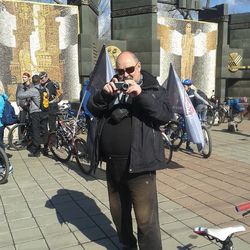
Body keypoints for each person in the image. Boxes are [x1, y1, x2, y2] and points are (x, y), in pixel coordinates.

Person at [87, 51, 173, 250]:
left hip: (140, 164)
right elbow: (92, 107)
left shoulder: (152, 88)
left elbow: (165, 114)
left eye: (129, 70)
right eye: (120, 70)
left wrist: (140, 95)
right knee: (119, 213)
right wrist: (103, 94)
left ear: (139, 67)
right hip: (113, 164)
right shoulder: (111, 86)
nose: (125, 75)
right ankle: (127, 245)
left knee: (146, 219)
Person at [17, 74, 49, 157]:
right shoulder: (45, 89)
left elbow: (20, 96)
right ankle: (46, 148)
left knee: (36, 131)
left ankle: (36, 150)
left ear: (32, 81)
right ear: (39, 80)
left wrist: (21, 88)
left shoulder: (33, 90)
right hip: (45, 112)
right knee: (45, 129)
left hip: (36, 113)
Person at [182, 79, 210, 153]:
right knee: (187, 128)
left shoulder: (192, 92)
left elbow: (199, 97)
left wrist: (206, 102)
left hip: (192, 113)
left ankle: (201, 149)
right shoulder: (182, 93)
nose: (183, 87)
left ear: (188, 87)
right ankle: (188, 146)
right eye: (183, 86)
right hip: (186, 112)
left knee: (194, 128)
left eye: (184, 86)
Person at [0, 80, 13, 173]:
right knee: (0, 145)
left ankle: (4, 165)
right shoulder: (3, 97)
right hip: (1, 125)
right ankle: (6, 165)